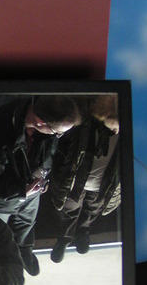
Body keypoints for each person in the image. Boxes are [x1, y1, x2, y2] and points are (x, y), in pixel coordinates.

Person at [0, 95, 80, 276]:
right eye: (57, 132)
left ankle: (24, 249)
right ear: (39, 122)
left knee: (26, 223)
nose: (58, 136)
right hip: (2, 199)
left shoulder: (43, 113)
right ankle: (0, 263)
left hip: (30, 191)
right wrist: (21, 191)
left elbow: (48, 152)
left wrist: (42, 176)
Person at [49, 95, 121, 263]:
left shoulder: (128, 128)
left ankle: (83, 232)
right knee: (69, 210)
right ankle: (64, 239)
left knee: (92, 209)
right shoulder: (84, 122)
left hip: (103, 184)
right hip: (75, 182)